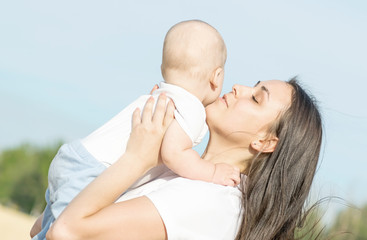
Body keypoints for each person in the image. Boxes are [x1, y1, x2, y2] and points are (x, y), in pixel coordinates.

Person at [31, 20, 240, 240]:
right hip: (95, 170)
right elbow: (174, 153)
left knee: (49, 228)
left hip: (77, 158)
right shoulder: (192, 109)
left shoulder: (159, 95)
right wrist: (212, 172)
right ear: (216, 77)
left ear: (163, 68)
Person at [40, 77, 323, 239]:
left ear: (265, 141)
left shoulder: (215, 200)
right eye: (253, 85)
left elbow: (65, 231)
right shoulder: (188, 176)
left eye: (256, 99)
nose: (239, 88)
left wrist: (135, 159)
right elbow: (45, 223)